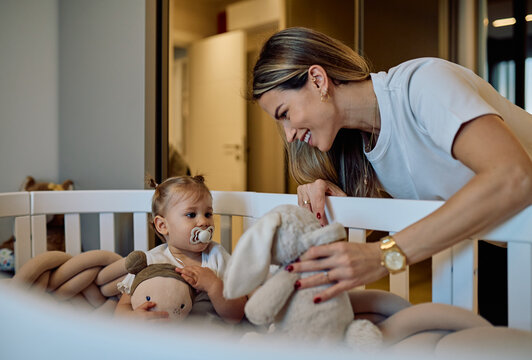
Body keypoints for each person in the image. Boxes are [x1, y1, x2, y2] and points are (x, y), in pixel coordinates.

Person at [251, 27, 532, 306]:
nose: (289, 135)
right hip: (512, 247)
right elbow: (367, 229)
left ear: (317, 80)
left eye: (285, 114)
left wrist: (383, 256)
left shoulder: (424, 84)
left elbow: (514, 175)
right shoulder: (363, 144)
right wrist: (331, 204)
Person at [114, 175, 246, 323]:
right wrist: (133, 318)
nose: (203, 221)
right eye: (191, 215)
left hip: (209, 342)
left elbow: (236, 316)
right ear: (163, 226)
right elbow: (122, 308)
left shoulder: (217, 257)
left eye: (208, 214)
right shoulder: (150, 262)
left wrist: (214, 286)